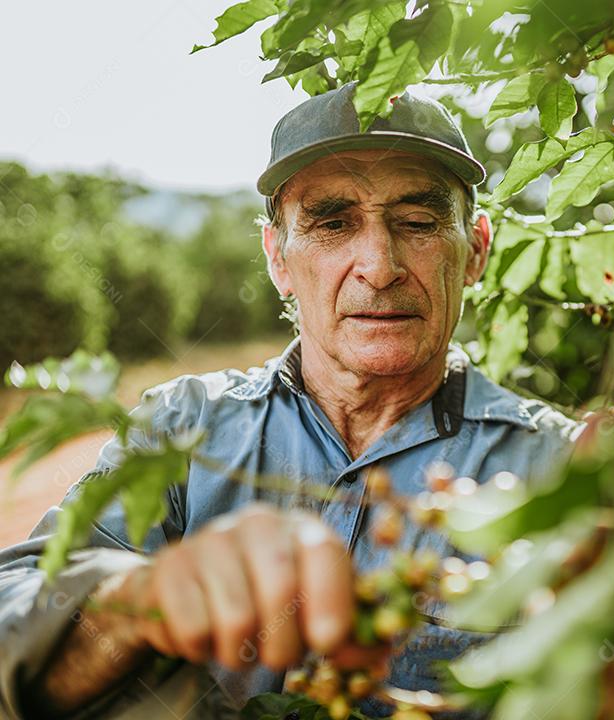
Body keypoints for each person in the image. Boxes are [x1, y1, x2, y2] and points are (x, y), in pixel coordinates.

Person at [0, 84, 583, 720]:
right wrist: (141, 601)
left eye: (417, 223)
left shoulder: (558, 467)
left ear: (475, 251)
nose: (379, 265)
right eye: (332, 224)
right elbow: (16, 615)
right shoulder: (181, 428)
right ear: (279, 259)